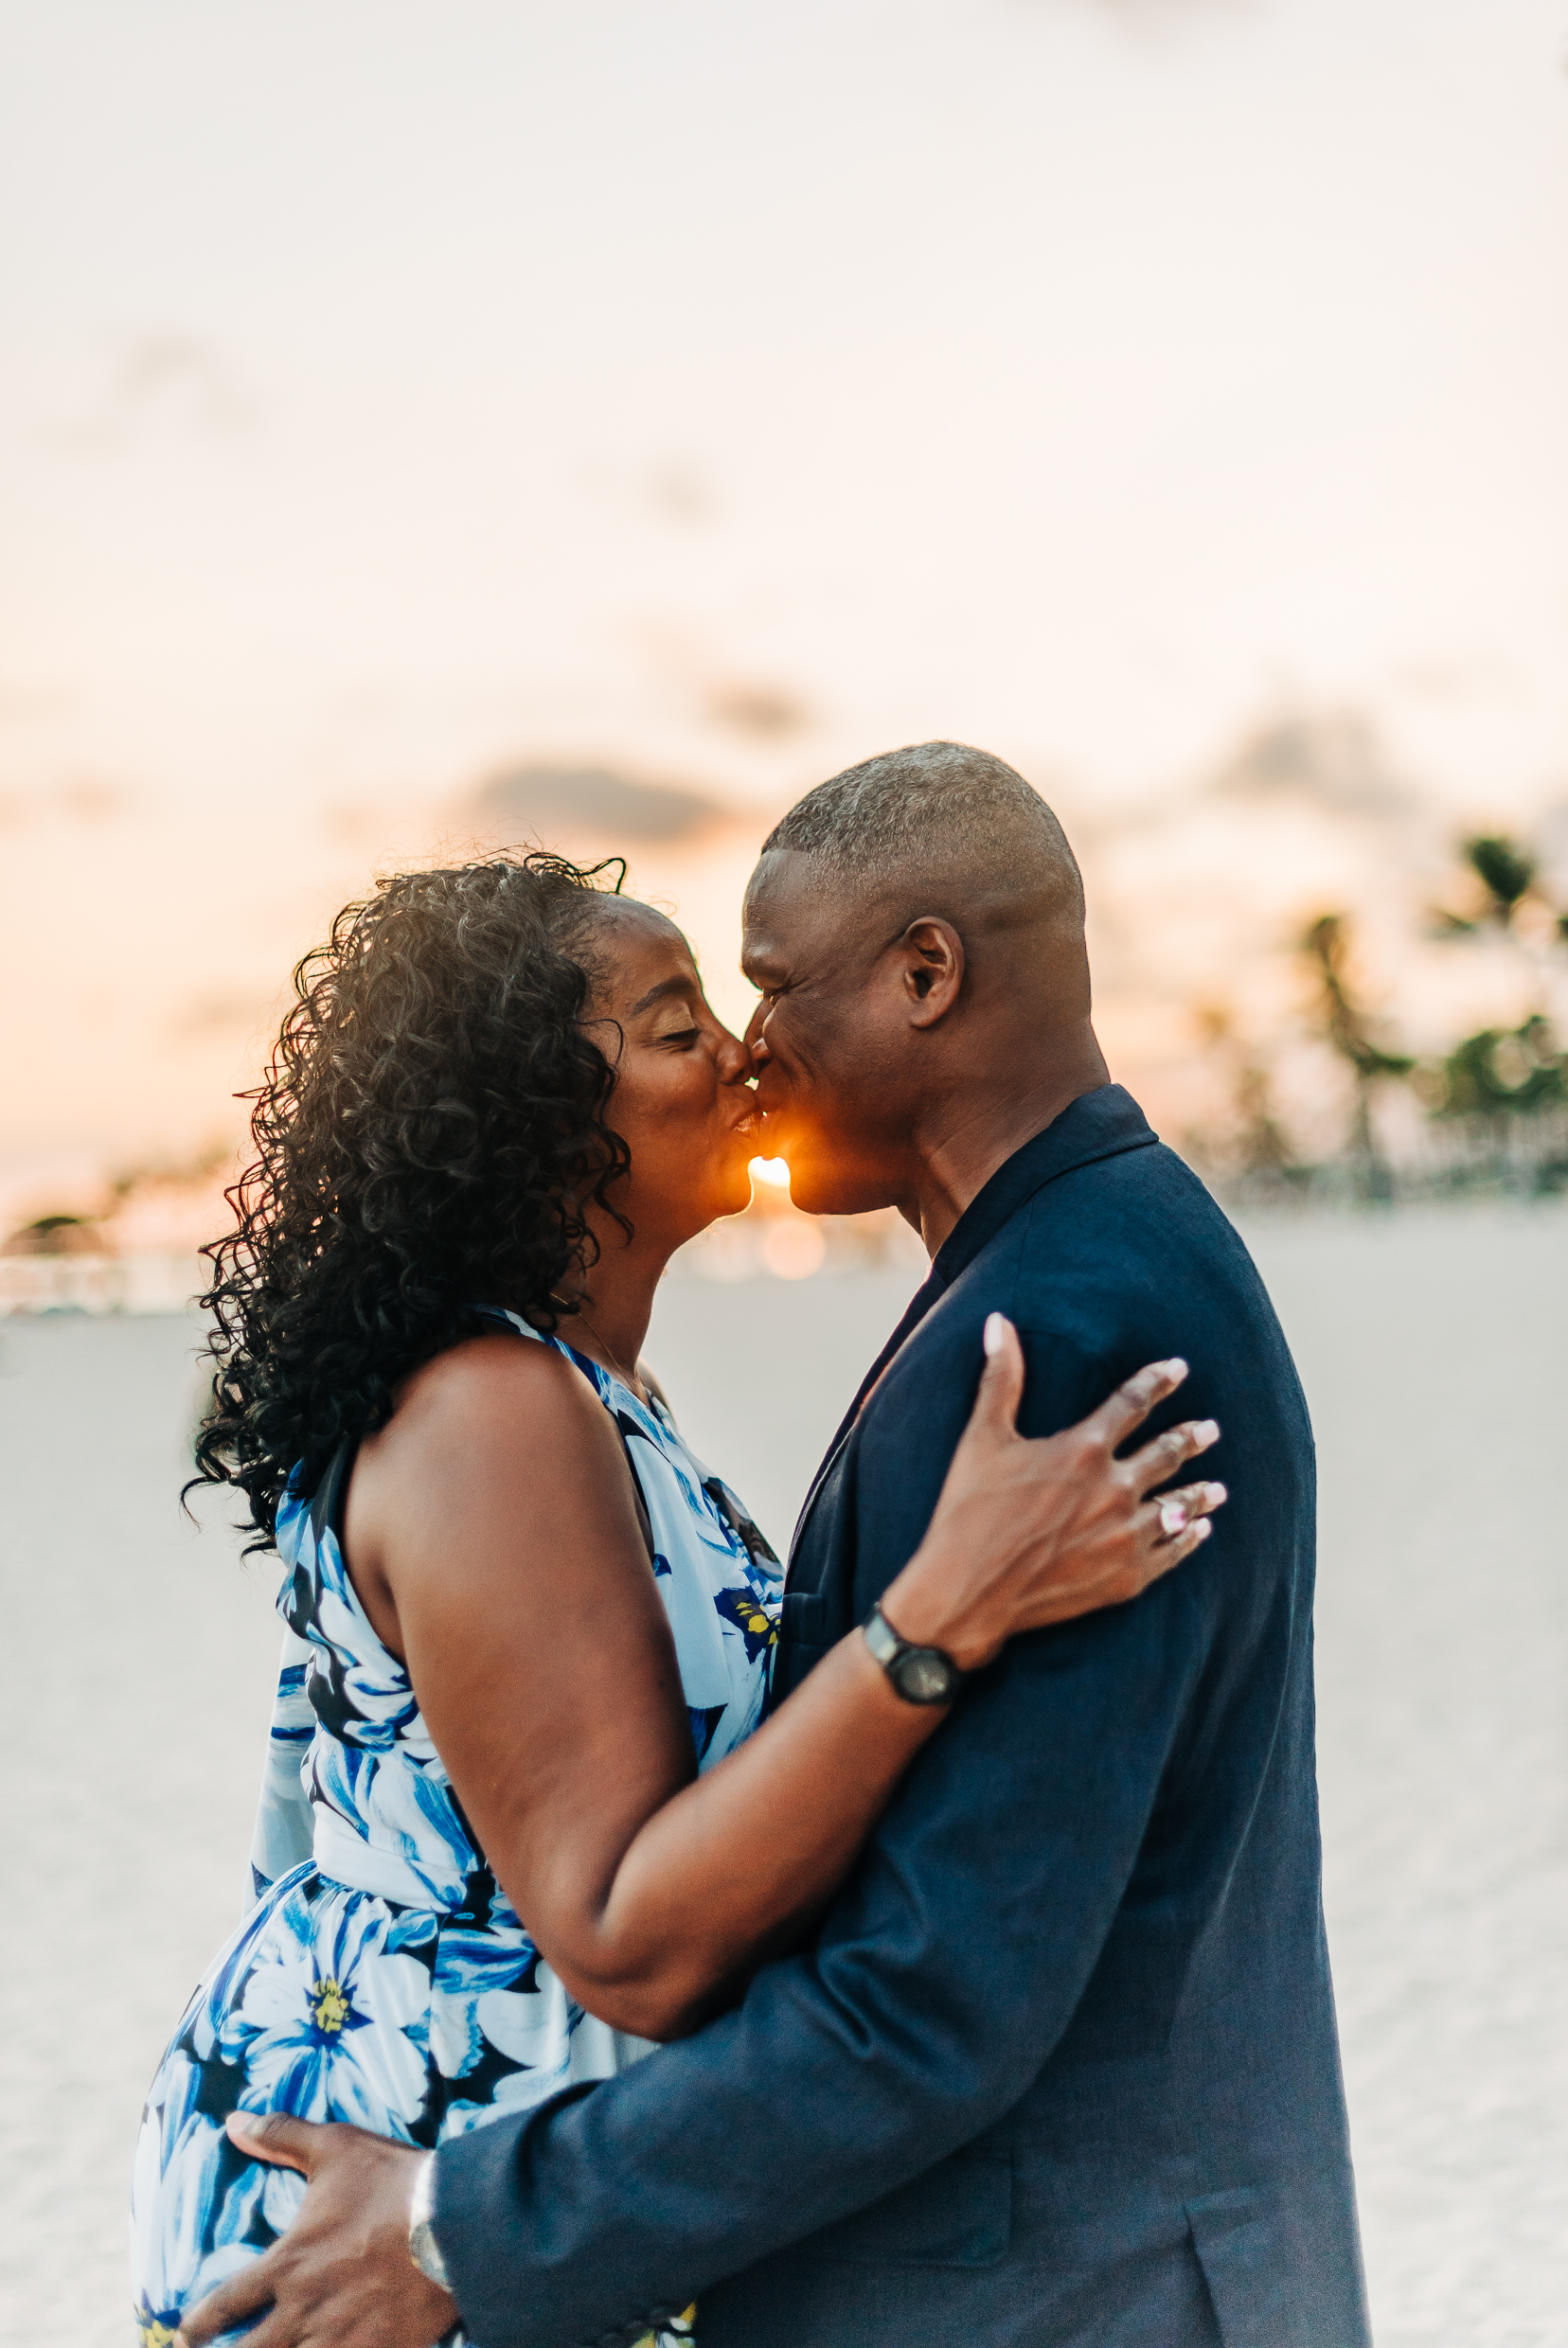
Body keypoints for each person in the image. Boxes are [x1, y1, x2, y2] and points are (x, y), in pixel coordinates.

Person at [179, 742, 1369, 2348]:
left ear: (925, 973)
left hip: (1075, 2286)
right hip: (392, 2209)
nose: (751, 1049)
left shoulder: (1063, 1342)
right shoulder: (539, 1400)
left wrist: (467, 2232)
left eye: (770, 989)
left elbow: (930, 1999)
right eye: (695, 1017)